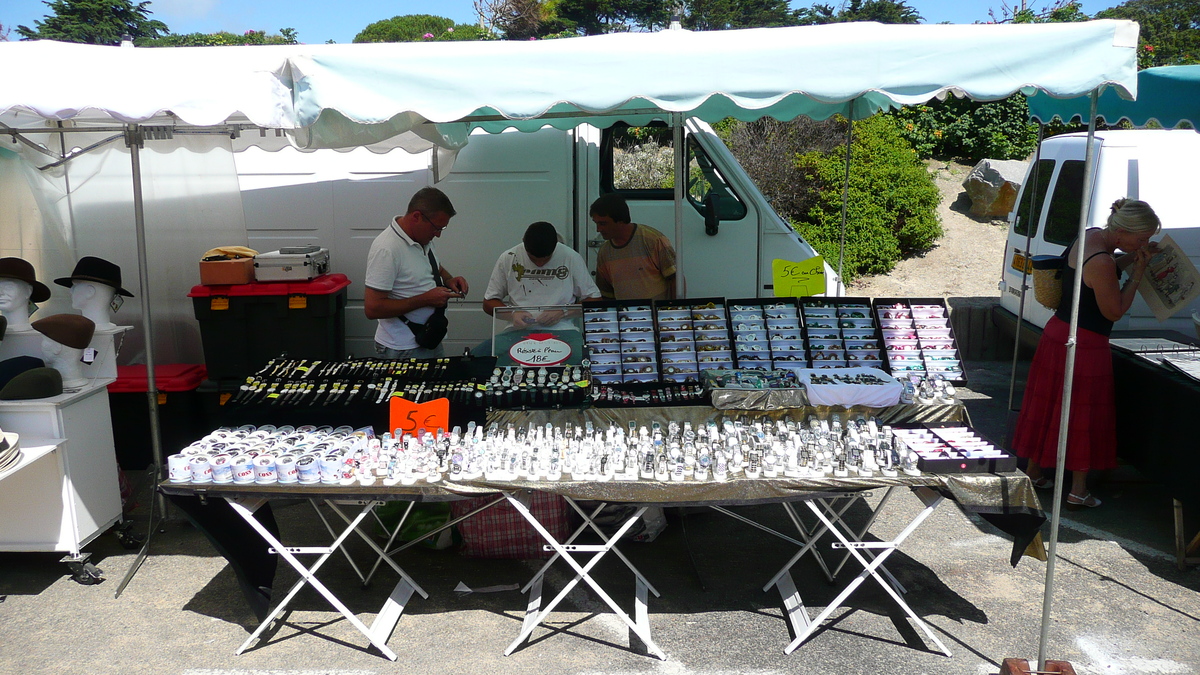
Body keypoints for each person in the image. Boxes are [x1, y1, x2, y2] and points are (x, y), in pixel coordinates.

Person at [1012, 198, 1161, 509]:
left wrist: (1132, 257)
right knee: (1082, 415)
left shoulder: (1092, 235)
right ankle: (1078, 490)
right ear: (1121, 233)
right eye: (1142, 238)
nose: (1144, 243)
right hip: (1085, 343)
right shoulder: (1104, 262)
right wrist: (1139, 271)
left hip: (1058, 333)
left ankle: (1035, 471)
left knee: (1049, 406)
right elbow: (1114, 310)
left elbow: (1094, 275)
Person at [364, 187, 469, 359]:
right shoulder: (387, 249)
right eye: (436, 228)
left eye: (442, 229)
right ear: (416, 217)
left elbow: (435, 267)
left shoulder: (422, 239)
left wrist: (449, 279)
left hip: (428, 339)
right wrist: (426, 299)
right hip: (401, 349)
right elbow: (372, 308)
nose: (438, 235)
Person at [483, 221, 601, 327]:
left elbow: (595, 299)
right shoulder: (509, 257)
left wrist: (563, 312)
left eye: (546, 259)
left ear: (556, 245)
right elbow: (488, 303)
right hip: (519, 329)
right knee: (481, 351)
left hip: (563, 328)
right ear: (523, 242)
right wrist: (513, 314)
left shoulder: (571, 257)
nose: (540, 264)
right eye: (533, 259)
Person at [590, 194, 678, 300]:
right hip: (624, 315)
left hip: (656, 313)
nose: (598, 229)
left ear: (621, 221)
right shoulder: (604, 252)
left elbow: (676, 279)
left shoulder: (652, 240)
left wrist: (673, 309)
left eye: (603, 224)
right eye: (596, 223)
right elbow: (606, 294)